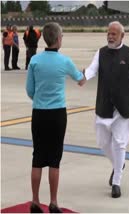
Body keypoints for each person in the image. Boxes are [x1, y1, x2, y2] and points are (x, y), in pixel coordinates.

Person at [25, 22, 85, 213]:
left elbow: (30, 90)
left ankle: (35, 201)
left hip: (39, 113)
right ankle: (53, 202)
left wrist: (41, 99)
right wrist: (85, 74)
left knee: (38, 157)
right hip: (57, 114)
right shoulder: (65, 61)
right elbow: (80, 80)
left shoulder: (35, 60)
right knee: (54, 159)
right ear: (58, 39)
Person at [83, 21, 129, 198]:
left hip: (123, 110)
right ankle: (119, 164)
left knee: (119, 143)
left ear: (122, 36)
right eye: (108, 33)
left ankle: (117, 182)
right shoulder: (101, 53)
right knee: (103, 143)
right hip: (104, 106)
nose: (110, 37)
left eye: (114, 34)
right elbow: (92, 70)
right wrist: (84, 76)